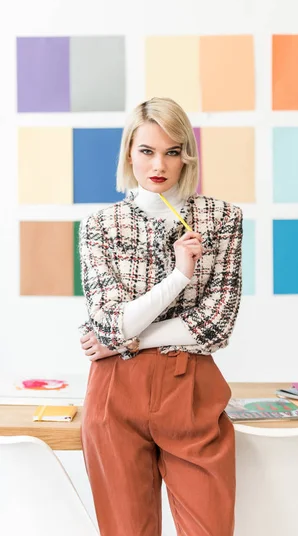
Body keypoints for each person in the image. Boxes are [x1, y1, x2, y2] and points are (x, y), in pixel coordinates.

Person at [78, 97, 243, 536]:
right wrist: (178, 277)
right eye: (147, 151)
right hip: (115, 393)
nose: (159, 164)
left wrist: (125, 338)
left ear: (186, 155)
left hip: (189, 388)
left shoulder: (222, 218)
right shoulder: (100, 225)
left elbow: (217, 323)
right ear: (129, 152)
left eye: (172, 152)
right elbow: (110, 322)